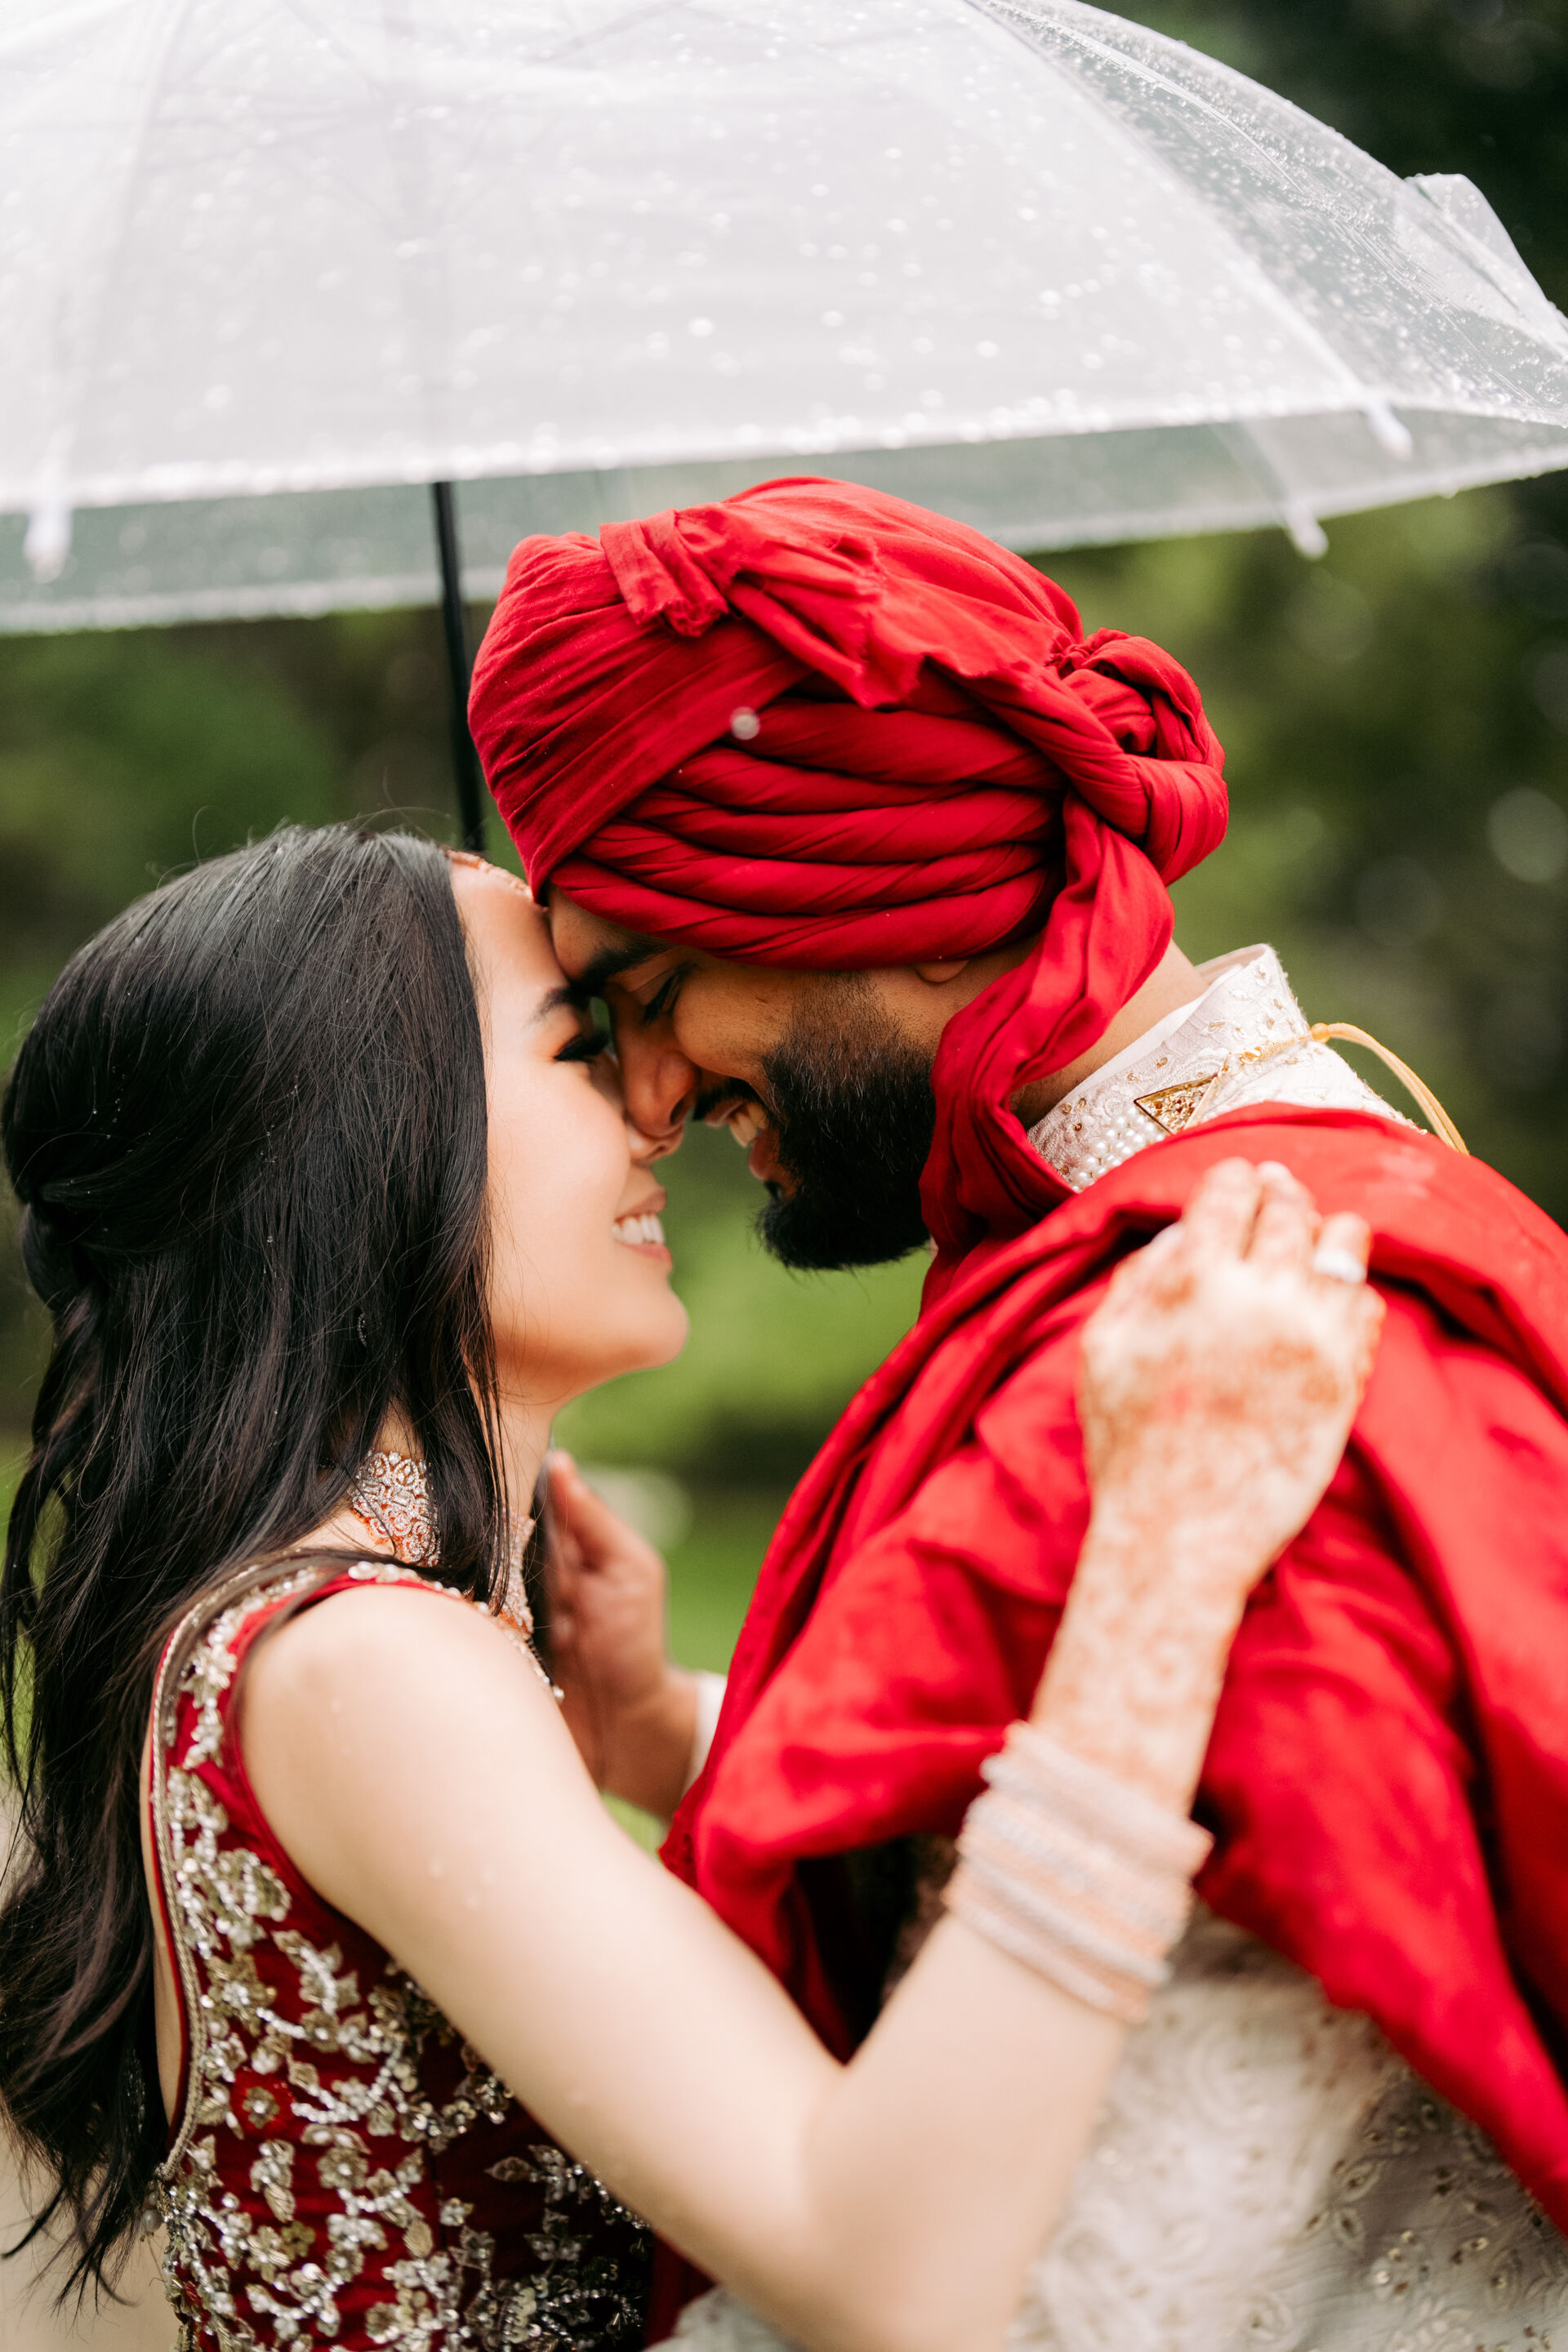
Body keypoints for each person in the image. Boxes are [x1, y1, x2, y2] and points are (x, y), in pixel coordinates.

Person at [0, 825, 1381, 2352]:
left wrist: (661, 1736)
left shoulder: (310, 1638)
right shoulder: (362, 1665)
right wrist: (1162, 1566)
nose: (659, 1111)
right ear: (357, 1145)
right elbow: (887, 2279)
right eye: (583, 1047)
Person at [467, 476, 1568, 2348]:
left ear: (905, 906)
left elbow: (1076, 2273)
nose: (646, 1100)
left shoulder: (1197, 1341)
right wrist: (667, 1732)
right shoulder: (1381, 1197)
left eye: (649, 993)